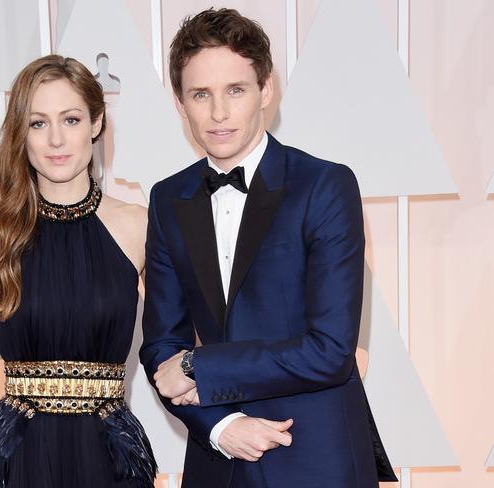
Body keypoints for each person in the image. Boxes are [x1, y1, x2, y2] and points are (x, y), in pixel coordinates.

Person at [140, 8, 397, 487]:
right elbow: (160, 347)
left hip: (316, 459)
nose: (218, 113)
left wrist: (200, 365)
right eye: (201, 94)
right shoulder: (166, 198)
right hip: (216, 461)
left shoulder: (325, 186)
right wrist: (220, 427)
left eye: (235, 90)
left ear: (266, 91)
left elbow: (331, 350)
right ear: (179, 103)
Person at [0, 54, 155, 488]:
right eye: (38, 123)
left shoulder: (138, 226)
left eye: (71, 120)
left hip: (107, 457)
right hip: (17, 460)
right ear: (22, 134)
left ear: (96, 124)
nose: (56, 139)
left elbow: (178, 341)